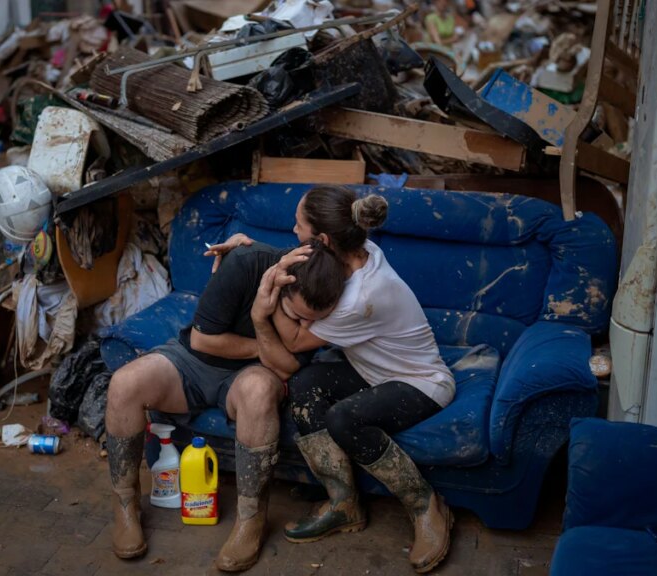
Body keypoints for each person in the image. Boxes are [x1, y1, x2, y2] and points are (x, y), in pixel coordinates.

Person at [206, 186, 456, 574]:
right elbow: (303, 260)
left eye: (298, 224)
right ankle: (344, 505)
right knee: (305, 386)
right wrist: (247, 247)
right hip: (372, 371)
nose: (292, 230)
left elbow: (291, 343)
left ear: (321, 239)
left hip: (420, 381)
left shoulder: (360, 297)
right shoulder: (357, 249)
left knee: (344, 418)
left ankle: (426, 505)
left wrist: (266, 297)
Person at [105, 240, 344, 572]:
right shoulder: (245, 263)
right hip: (194, 359)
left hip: (252, 376)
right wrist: (266, 347)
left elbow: (287, 368)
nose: (303, 330)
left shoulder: (328, 293)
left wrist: (263, 323)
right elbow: (204, 340)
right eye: (295, 316)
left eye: (312, 323)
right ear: (279, 283)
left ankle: (251, 519)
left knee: (259, 390)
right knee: (124, 384)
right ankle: (125, 505)